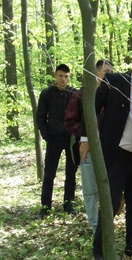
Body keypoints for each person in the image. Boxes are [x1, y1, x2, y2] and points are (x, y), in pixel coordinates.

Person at [80, 48, 132, 259]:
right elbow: (91, 107)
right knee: (110, 205)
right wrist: (85, 139)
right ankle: (101, 251)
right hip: (116, 157)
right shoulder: (114, 81)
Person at [64, 60, 114, 233]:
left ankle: (107, 225)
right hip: (88, 148)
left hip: (110, 149)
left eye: (112, 71)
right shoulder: (81, 95)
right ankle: (95, 228)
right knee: (90, 190)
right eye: (107, 71)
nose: (110, 75)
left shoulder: (114, 95)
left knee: (109, 188)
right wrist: (89, 137)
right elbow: (70, 122)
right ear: (97, 72)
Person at [36, 64, 78, 219]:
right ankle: (45, 206)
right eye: (61, 75)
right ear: (55, 75)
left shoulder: (75, 93)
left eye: (66, 76)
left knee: (71, 173)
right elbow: (40, 117)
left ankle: (68, 204)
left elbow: (80, 117)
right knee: (49, 174)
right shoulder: (47, 93)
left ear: (70, 76)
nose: (63, 79)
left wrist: (77, 135)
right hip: (53, 139)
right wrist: (47, 136)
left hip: (71, 139)